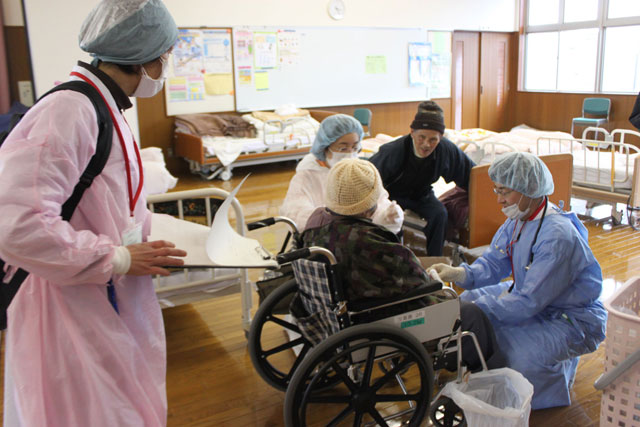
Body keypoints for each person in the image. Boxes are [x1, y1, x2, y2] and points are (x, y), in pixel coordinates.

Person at [0, 1, 187, 426]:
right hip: (68, 296)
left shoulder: (105, 106)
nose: (165, 66)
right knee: (88, 409)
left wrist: (137, 243)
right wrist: (117, 258)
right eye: (164, 57)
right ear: (143, 59)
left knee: (119, 399)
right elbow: (17, 224)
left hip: (101, 287)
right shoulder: (70, 109)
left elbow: (103, 197)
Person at [431, 152, 607, 410]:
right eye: (497, 190)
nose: (499, 199)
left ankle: (551, 382)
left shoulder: (558, 237)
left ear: (530, 189)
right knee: (468, 301)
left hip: (570, 318)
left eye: (505, 191)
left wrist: (480, 312)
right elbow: (493, 263)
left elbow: (527, 302)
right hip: (536, 298)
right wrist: (460, 274)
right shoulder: (519, 219)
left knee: (513, 355)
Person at [301, 159, 505, 370]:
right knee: (471, 313)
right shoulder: (370, 240)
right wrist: (434, 280)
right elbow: (418, 282)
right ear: (370, 204)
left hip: (339, 312)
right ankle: (492, 372)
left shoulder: (315, 224)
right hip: (380, 317)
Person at [369, 101, 475, 256]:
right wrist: (381, 206)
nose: (426, 144)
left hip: (421, 194)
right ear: (412, 132)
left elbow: (472, 175)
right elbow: (368, 179)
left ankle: (435, 261)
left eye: (433, 140)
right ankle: (395, 259)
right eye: (421, 137)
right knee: (391, 220)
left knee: (440, 214)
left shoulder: (445, 150)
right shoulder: (393, 151)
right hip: (391, 194)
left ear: (441, 137)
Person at [280, 114, 403, 233]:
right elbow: (295, 214)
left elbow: (378, 200)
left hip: (360, 238)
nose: (350, 153)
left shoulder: (359, 172)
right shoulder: (308, 175)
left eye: (355, 148)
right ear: (325, 147)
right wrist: (334, 222)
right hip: (323, 239)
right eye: (343, 148)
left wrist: (386, 216)